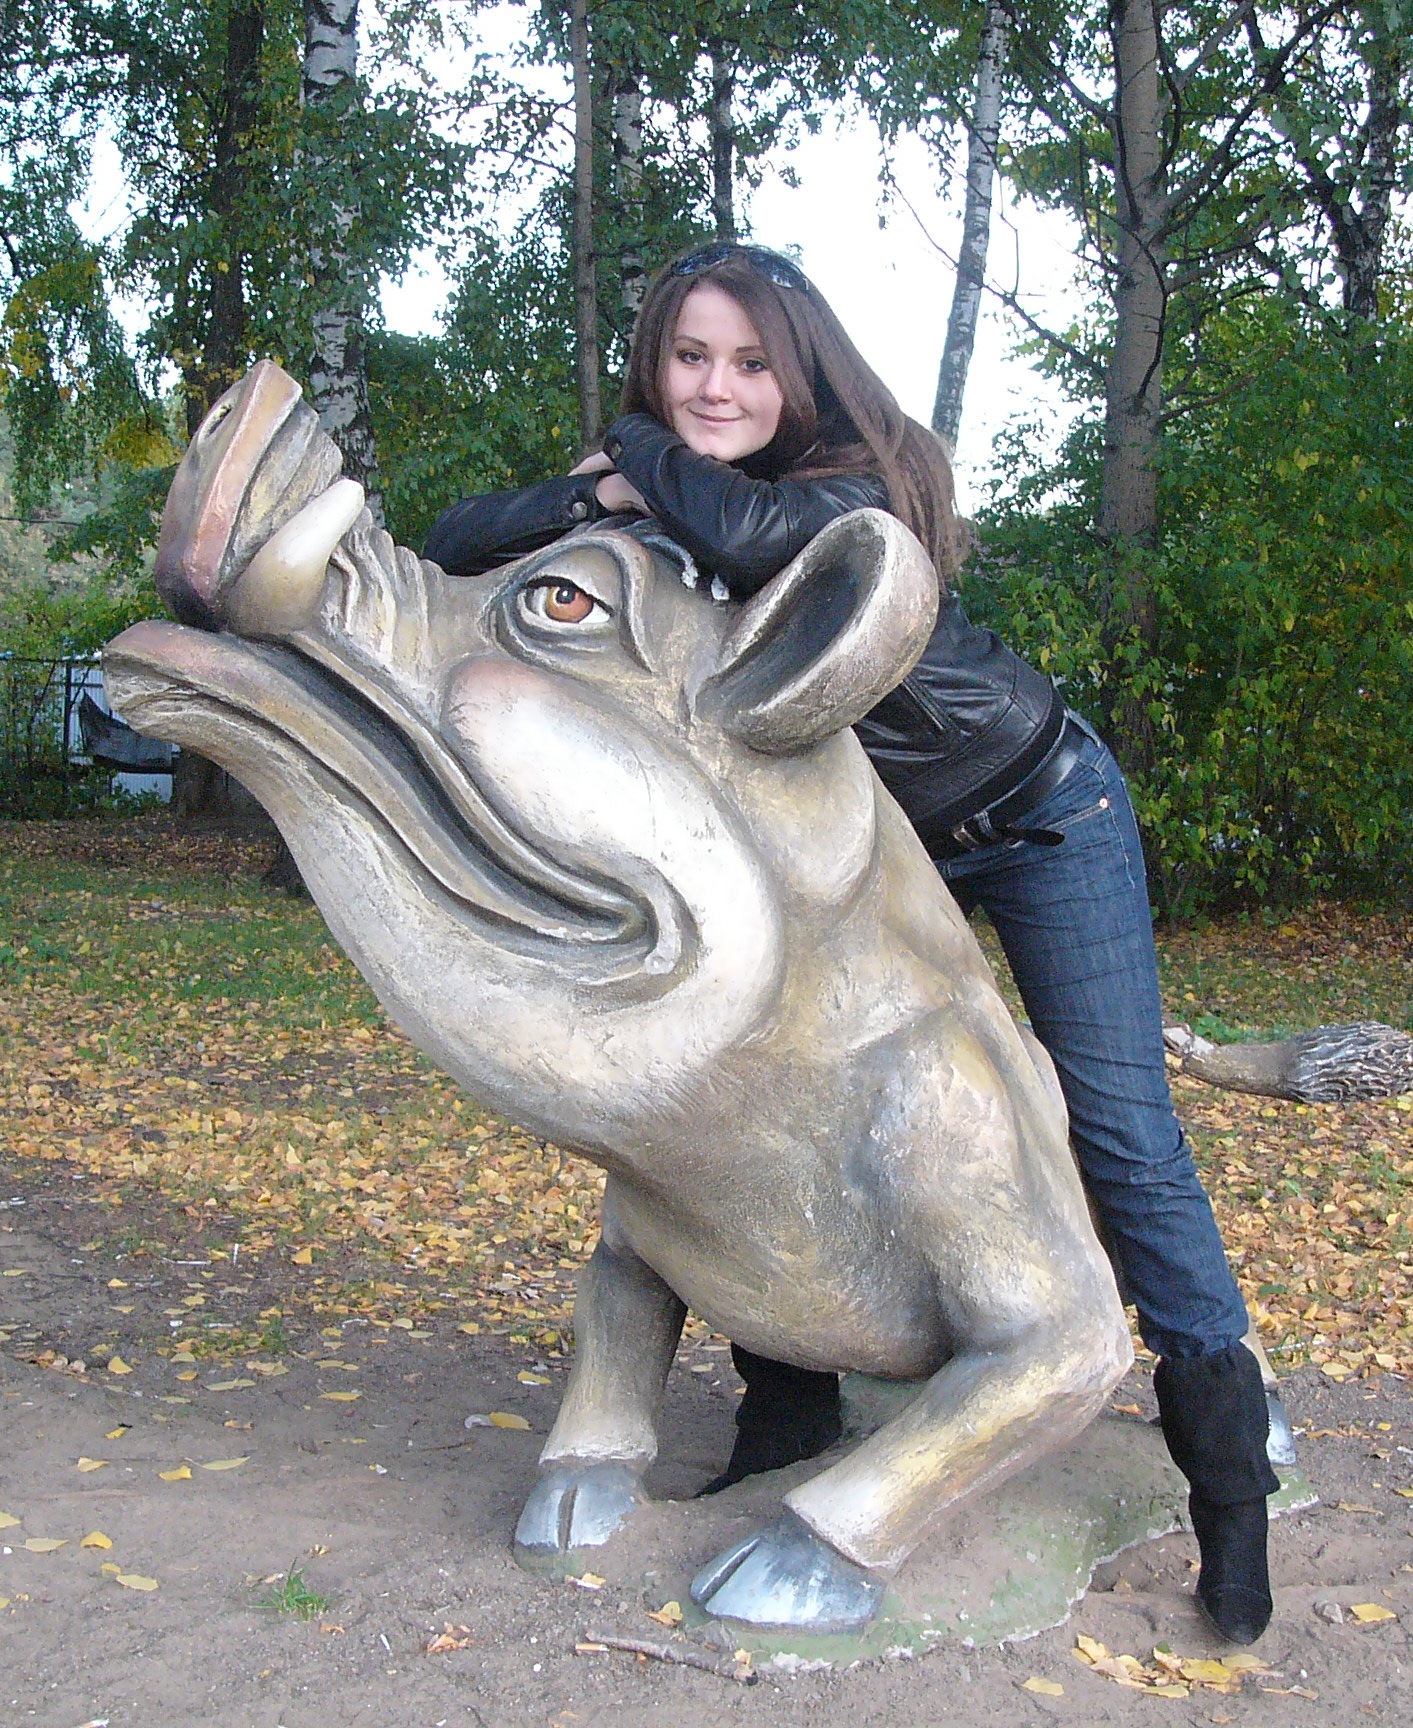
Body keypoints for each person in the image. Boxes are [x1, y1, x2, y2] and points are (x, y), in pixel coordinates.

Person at [423, 242, 1281, 1645]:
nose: (714, 388)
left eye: (749, 362)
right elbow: (459, 540)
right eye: (687, 358)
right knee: (771, 1083)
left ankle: (1230, 1474)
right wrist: (598, 495)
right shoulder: (668, 498)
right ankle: (786, 1419)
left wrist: (630, 456)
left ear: (800, 373)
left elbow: (756, 541)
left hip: (1038, 811)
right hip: (883, 849)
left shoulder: (848, 488)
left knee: (1120, 1127)